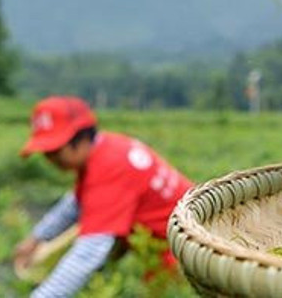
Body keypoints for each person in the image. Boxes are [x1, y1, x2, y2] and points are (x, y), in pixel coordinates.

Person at [12, 96, 193, 297]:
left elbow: (89, 253)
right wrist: (36, 238)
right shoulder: (106, 148)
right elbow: (74, 204)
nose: (50, 160)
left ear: (80, 140)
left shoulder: (108, 170)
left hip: (182, 257)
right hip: (168, 246)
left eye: (55, 151)